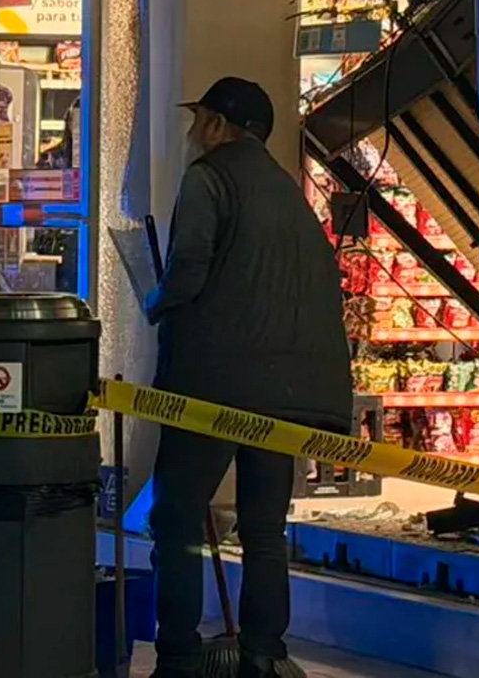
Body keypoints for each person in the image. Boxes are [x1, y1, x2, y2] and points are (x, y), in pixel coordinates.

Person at [144, 77, 353, 678]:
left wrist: (154, 301)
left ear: (216, 126)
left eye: (197, 121)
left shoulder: (208, 178)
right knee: (264, 528)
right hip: (294, 394)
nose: (190, 134)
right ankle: (265, 652)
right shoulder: (289, 193)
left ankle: (178, 652)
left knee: (177, 518)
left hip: (213, 384)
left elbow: (188, 270)